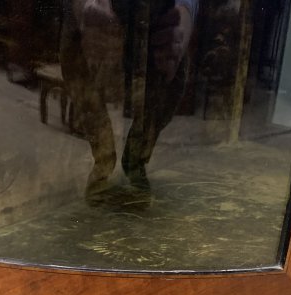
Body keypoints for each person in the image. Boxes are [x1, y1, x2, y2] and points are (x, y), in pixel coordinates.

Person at [60, 0, 198, 201]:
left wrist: (186, 10)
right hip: (95, 12)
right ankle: (103, 159)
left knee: (170, 78)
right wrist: (84, 7)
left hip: (158, 13)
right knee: (77, 64)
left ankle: (135, 159)